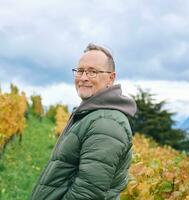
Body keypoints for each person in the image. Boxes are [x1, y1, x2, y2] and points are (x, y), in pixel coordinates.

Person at [30, 43, 137, 200]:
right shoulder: (92, 114)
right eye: (80, 71)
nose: (83, 77)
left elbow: (87, 193)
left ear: (111, 78)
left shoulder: (106, 123)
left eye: (93, 72)